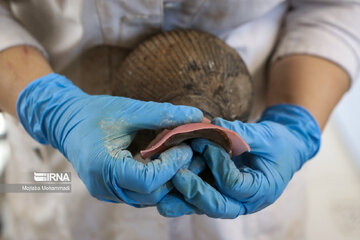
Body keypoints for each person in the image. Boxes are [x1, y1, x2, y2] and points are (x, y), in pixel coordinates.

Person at [0, 0, 359, 239]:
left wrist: (296, 123)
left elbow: (335, 7)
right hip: (57, 159)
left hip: (252, 141)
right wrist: (50, 109)